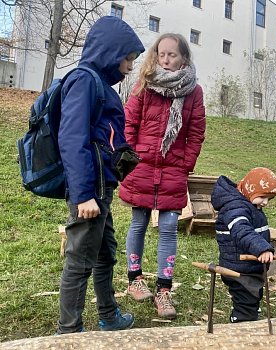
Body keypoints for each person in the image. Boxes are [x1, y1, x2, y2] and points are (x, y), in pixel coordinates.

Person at [56, 16, 145, 334]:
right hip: (90, 191)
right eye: (129, 58)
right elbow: (71, 138)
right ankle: (68, 332)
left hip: (102, 188)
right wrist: (83, 195)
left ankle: (108, 315)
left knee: (105, 253)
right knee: (79, 260)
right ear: (112, 52)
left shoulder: (101, 85)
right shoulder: (84, 80)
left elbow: (102, 137)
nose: (130, 66)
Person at [118, 33, 206, 319]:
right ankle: (135, 279)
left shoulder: (194, 92)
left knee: (168, 227)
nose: (166, 59)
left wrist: (185, 164)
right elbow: (129, 123)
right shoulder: (145, 85)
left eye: (173, 55)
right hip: (142, 166)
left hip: (173, 169)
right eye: (162, 54)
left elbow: (196, 132)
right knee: (139, 221)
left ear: (184, 58)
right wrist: (131, 158)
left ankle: (164, 290)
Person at [211, 167, 276, 323]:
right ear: (250, 189)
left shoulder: (248, 204)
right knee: (245, 301)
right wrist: (261, 248)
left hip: (249, 266)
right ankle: (241, 324)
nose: (266, 202)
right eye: (262, 197)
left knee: (252, 295)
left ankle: (250, 314)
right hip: (238, 268)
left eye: (270, 199)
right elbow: (242, 231)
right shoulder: (236, 208)